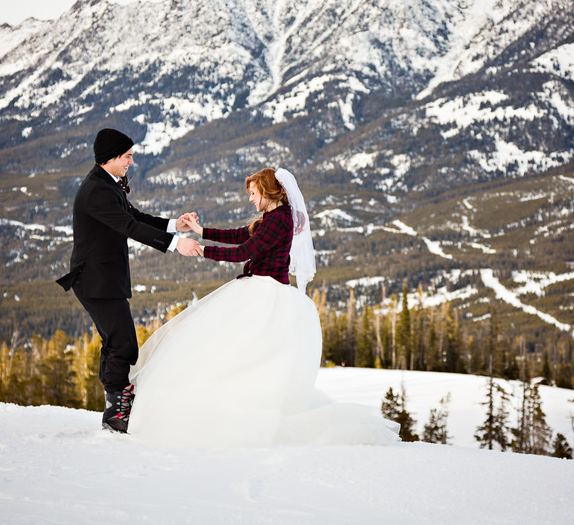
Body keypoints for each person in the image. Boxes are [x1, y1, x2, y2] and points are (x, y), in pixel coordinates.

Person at [126, 167, 400, 447]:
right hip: (257, 288)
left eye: (254, 193)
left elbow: (245, 252)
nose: (250, 199)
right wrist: (201, 231)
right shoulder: (272, 218)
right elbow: (238, 236)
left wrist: (203, 250)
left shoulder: (279, 220)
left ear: (269, 192)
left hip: (266, 293)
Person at [56, 128, 201, 434]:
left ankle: (115, 406)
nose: (132, 162)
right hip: (95, 280)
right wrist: (176, 245)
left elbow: (134, 215)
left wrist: (175, 225)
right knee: (122, 342)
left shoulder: (107, 184)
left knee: (116, 340)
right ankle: (116, 412)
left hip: (103, 278)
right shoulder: (96, 190)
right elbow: (128, 226)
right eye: (127, 156)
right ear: (110, 157)